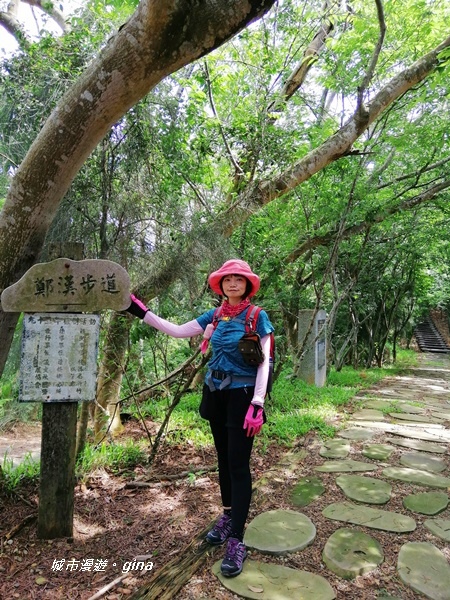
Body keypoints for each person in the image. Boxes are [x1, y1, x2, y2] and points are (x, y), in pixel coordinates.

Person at [126, 259, 274, 577]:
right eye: (228, 279)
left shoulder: (257, 317)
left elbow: (265, 362)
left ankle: (236, 539)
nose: (233, 283)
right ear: (220, 284)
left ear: (247, 285)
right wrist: (139, 311)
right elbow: (178, 331)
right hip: (216, 392)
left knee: (237, 463)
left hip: (243, 397)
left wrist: (258, 403)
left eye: (239, 279)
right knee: (223, 459)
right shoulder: (216, 315)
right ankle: (227, 516)